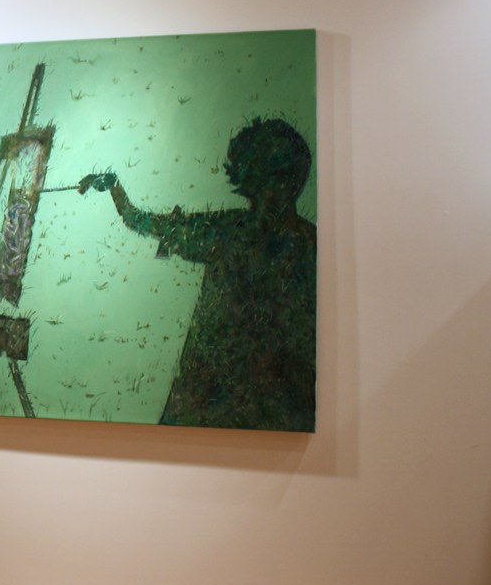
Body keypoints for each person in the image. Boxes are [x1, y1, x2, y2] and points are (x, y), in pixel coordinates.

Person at [78, 117, 316, 431]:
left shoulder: (230, 232)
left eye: (274, 175)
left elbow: (139, 220)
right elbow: (140, 220)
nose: (272, 189)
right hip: (256, 411)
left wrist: (113, 187)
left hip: (216, 405)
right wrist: (114, 188)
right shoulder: (307, 245)